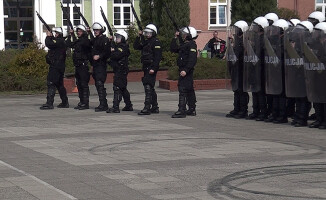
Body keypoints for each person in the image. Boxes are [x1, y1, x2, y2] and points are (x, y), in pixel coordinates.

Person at [133, 24, 162, 115]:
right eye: (146, 33)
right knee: (150, 87)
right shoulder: (146, 42)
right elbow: (136, 46)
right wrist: (139, 36)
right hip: (145, 66)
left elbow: (157, 57)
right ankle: (155, 107)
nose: (147, 34)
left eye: (149, 33)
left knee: (148, 86)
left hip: (151, 66)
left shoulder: (156, 42)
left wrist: (154, 68)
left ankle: (147, 107)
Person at [263, 19, 289, 123]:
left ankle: (282, 115)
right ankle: (275, 113)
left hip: (282, 71)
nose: (274, 31)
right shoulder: (274, 40)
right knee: (275, 94)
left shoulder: (285, 41)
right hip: (274, 70)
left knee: (281, 95)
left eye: (276, 29)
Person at [244, 16, 269, 121]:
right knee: (255, 91)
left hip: (261, 70)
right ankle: (255, 111)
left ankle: (262, 112)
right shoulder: (256, 38)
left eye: (256, 26)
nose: (253, 28)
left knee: (260, 93)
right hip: (254, 69)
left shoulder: (264, 39)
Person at [170, 27, 198, 118]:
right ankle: (192, 109)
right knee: (189, 89)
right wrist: (176, 38)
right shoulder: (185, 44)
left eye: (185, 34)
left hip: (186, 70)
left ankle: (182, 110)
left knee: (183, 89)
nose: (184, 36)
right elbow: (173, 49)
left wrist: (186, 70)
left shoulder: (192, 45)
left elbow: (192, 59)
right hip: (183, 69)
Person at [40, 27, 69, 110]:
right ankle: (64, 102)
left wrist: (48, 36)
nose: (55, 34)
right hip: (59, 66)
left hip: (56, 66)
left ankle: (49, 103)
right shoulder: (62, 41)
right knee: (59, 84)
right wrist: (51, 36)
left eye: (57, 33)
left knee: (51, 82)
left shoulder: (59, 41)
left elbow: (49, 43)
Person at [225, 20, 249, 118]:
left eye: (237, 29)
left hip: (242, 70)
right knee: (236, 90)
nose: (235, 31)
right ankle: (236, 108)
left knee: (241, 90)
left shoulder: (245, 41)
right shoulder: (237, 41)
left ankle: (243, 110)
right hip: (235, 69)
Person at [107, 30, 133, 113]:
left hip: (121, 70)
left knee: (117, 87)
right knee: (122, 88)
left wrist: (112, 51)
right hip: (118, 69)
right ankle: (128, 105)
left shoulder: (122, 47)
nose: (117, 39)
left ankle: (116, 106)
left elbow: (116, 55)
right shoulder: (118, 46)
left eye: (118, 37)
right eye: (116, 37)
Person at [66, 24, 91, 110]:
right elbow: (69, 44)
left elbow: (85, 43)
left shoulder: (85, 40)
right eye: (77, 31)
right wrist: (71, 35)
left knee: (84, 84)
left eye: (80, 31)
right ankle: (81, 101)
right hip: (78, 65)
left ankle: (85, 103)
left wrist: (87, 33)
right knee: (79, 84)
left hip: (83, 65)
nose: (78, 32)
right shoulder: (79, 40)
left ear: (83, 32)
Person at [89, 22, 111, 112]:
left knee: (99, 83)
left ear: (101, 30)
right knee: (98, 84)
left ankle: (103, 104)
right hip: (95, 65)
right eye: (94, 30)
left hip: (101, 65)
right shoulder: (95, 40)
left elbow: (107, 52)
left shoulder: (104, 40)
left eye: (97, 30)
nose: (95, 32)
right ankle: (103, 103)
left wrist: (99, 56)